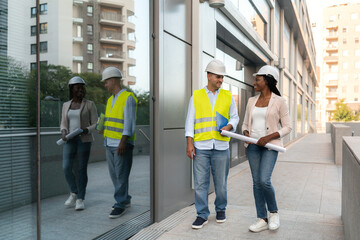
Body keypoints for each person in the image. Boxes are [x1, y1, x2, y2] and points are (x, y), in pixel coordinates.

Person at [185, 59, 239, 229]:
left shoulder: (227, 96)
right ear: (208, 76)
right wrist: (189, 143)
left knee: (221, 184)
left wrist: (230, 126)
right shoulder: (197, 96)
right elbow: (189, 121)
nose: (220, 80)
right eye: (218, 77)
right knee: (201, 183)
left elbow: (234, 117)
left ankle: (221, 209)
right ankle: (202, 215)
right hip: (201, 146)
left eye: (222, 77)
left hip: (221, 146)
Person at [241, 65, 292, 232]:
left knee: (264, 180)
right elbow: (245, 123)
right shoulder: (251, 101)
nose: (254, 81)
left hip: (270, 146)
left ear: (267, 80)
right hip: (253, 147)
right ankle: (262, 218)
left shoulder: (279, 101)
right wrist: (246, 132)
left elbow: (287, 127)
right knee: (256, 183)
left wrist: (268, 137)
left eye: (258, 79)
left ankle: (274, 213)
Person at [101, 66, 137, 219]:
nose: (105, 85)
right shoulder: (110, 100)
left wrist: (123, 141)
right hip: (109, 143)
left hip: (121, 145)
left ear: (114, 80)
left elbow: (129, 123)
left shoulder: (128, 97)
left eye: (106, 82)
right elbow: (110, 119)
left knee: (121, 176)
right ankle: (125, 199)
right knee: (115, 176)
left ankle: (120, 204)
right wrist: (101, 126)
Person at [60, 76, 98, 211]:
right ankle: (73, 192)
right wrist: (64, 131)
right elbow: (63, 123)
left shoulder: (89, 104)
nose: (81, 90)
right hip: (70, 139)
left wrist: (87, 129)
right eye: (78, 87)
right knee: (66, 167)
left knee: (81, 169)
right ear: (72, 89)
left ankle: (80, 198)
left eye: (82, 87)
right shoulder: (66, 105)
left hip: (84, 140)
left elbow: (95, 123)